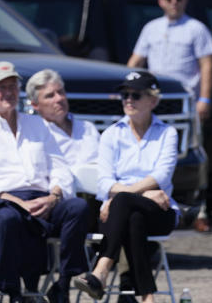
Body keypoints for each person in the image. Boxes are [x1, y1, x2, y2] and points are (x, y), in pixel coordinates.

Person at [0, 61, 89, 302]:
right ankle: (14, 290)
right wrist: (16, 201)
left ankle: (63, 284)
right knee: (10, 218)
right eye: (1, 87)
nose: (8, 92)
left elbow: (60, 167)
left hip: (42, 198)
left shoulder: (37, 124)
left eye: (12, 86)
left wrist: (54, 196)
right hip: (1, 203)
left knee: (78, 208)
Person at [73, 72, 179, 303]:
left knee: (122, 203)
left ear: (153, 100)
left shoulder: (167, 133)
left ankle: (101, 271)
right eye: (125, 95)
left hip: (158, 210)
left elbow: (162, 174)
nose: (128, 100)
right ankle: (147, 296)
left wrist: (121, 196)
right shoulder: (111, 134)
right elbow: (104, 182)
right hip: (124, 213)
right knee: (133, 219)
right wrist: (142, 193)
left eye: (136, 95)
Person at [127, 0, 212, 231]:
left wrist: (205, 99)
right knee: (155, 154)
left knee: (193, 153)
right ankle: (159, 201)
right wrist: (124, 89)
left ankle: (200, 210)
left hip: (185, 103)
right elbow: (136, 61)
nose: (173, 3)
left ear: (185, 0)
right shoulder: (151, 28)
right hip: (153, 102)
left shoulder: (196, 29)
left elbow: (206, 65)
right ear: (160, 2)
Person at [28, 68, 100, 170]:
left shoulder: (87, 128)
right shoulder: (37, 137)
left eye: (61, 92)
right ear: (35, 105)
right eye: (50, 96)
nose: (59, 98)